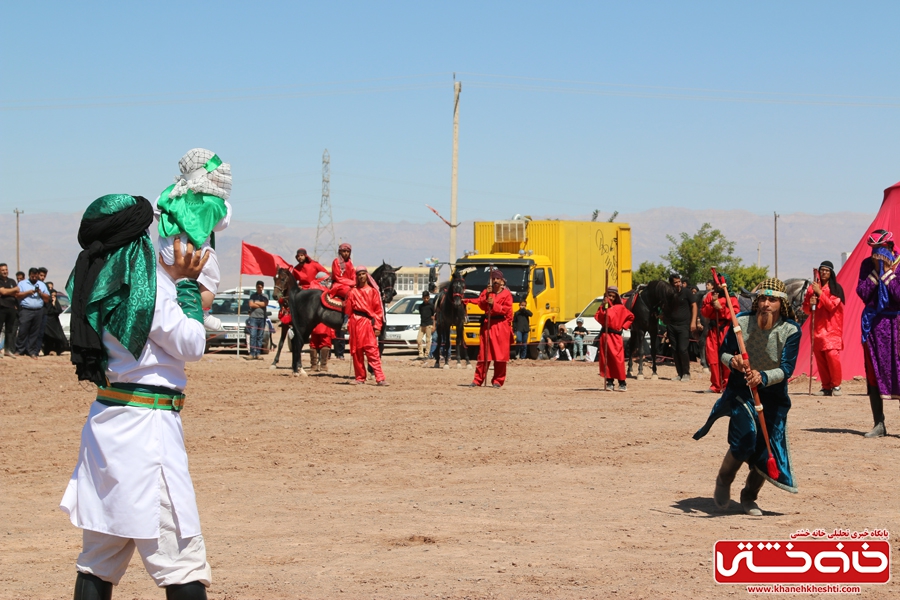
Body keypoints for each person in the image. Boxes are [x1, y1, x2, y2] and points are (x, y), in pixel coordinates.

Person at [60, 194, 212, 599]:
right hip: (149, 432)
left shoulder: (92, 281)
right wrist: (187, 285)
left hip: (106, 425)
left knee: (99, 558)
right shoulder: (146, 288)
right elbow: (192, 343)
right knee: (182, 561)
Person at [693, 277, 800, 516]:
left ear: (781, 304)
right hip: (743, 392)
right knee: (745, 440)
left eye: (772, 300)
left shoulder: (791, 330)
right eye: (762, 298)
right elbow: (723, 352)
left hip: (772, 396)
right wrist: (733, 361)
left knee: (765, 450)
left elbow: (787, 369)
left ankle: (749, 496)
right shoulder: (740, 322)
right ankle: (724, 478)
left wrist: (763, 376)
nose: (765, 304)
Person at [155, 148, 232, 332]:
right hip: (197, 249)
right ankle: (201, 312)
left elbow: (156, 211)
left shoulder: (168, 194)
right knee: (209, 282)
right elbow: (222, 224)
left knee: (166, 285)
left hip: (168, 247)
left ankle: (174, 312)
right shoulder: (217, 202)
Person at [856, 229, 900, 438]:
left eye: (880, 249)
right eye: (874, 250)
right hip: (873, 324)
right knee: (873, 372)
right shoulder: (866, 265)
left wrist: (889, 273)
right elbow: (863, 293)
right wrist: (876, 272)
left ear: (890, 247)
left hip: (897, 324)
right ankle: (879, 423)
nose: (876, 253)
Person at [803, 260, 845, 396]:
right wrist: (811, 303)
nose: (824, 273)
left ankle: (836, 385)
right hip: (817, 329)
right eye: (822, 270)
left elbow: (832, 306)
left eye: (827, 271)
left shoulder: (836, 289)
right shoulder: (812, 289)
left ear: (831, 273)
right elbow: (806, 310)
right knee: (820, 358)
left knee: (832, 356)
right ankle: (826, 386)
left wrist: (820, 293)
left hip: (832, 328)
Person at [468, 270, 513, 387]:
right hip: (488, 324)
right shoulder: (486, 291)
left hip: (501, 325)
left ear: (502, 281)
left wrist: (494, 305)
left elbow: (506, 310)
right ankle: (477, 380)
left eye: (497, 279)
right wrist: (485, 297)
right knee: (484, 354)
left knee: (500, 355)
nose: (495, 281)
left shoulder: (507, 294)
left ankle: (498, 380)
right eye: (493, 279)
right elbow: (481, 305)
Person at [345, 267, 387, 385]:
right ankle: (359, 377)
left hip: (368, 323)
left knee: (372, 351)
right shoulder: (352, 292)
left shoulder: (373, 292)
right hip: (355, 323)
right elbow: (348, 310)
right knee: (356, 352)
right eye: (359, 274)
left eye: (363, 274)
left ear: (367, 275)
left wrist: (377, 326)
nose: (361, 276)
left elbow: (378, 311)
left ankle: (380, 378)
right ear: (356, 277)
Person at [701, 274, 741, 394]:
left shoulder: (732, 298)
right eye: (716, 283)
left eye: (719, 283)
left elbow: (735, 313)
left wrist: (722, 309)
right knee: (713, 357)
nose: (717, 285)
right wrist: (712, 304)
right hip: (713, 330)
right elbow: (704, 312)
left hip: (726, 330)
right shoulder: (710, 296)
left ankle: (728, 384)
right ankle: (716, 385)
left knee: (727, 356)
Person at [595, 286, 635, 391]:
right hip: (605, 336)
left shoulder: (621, 308)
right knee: (606, 359)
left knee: (618, 359)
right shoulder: (604, 307)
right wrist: (603, 307)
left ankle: (622, 382)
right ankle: (609, 381)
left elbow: (631, 317)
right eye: (609, 295)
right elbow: (599, 318)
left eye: (613, 296)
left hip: (616, 336)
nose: (611, 298)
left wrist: (623, 326)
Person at [667, 272, 698, 381]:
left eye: (679, 281)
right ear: (671, 284)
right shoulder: (669, 294)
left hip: (684, 325)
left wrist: (693, 322)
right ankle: (679, 373)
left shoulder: (687, 292)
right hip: (671, 325)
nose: (678, 284)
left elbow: (694, 306)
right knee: (674, 350)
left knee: (683, 349)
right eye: (675, 282)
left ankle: (686, 373)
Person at [13, 267, 50, 357]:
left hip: (38, 311)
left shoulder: (41, 284)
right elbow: (17, 295)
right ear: (29, 275)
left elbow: (47, 299)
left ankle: (31, 351)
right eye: (32, 277)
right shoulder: (22, 283)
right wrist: (28, 292)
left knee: (35, 332)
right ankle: (19, 350)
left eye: (35, 277)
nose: (34, 278)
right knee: (23, 330)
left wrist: (40, 293)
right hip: (26, 310)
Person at [42, 289, 69, 355]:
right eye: (52, 295)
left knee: (57, 336)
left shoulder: (56, 302)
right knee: (48, 336)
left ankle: (56, 350)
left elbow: (58, 311)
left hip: (55, 322)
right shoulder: (46, 303)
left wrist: (54, 304)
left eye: (55, 296)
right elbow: (47, 311)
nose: (53, 297)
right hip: (47, 322)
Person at [0, 263, 18, 357]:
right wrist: (11, 291)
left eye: (6, 269)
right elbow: (2, 291)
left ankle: (7, 350)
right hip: (1, 307)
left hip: (11, 308)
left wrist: (6, 292)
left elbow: (17, 291)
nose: (5, 272)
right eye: (3, 270)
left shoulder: (12, 281)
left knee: (9, 330)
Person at [247, 281, 268, 360]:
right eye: (258, 287)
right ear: (256, 287)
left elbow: (265, 304)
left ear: (262, 288)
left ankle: (258, 353)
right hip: (253, 318)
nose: (259, 288)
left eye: (260, 287)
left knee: (260, 336)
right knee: (253, 335)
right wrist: (260, 304)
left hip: (262, 318)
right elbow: (251, 304)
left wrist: (256, 303)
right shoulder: (252, 295)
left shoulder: (265, 296)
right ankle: (252, 353)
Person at [417, 291, 435, 360]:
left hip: (429, 325)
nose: (426, 299)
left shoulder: (431, 306)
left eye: (427, 298)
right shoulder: (420, 306)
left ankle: (427, 354)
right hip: (422, 325)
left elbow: (433, 316)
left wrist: (433, 325)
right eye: (425, 298)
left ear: (429, 298)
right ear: (422, 298)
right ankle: (421, 354)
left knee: (428, 340)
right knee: (418, 340)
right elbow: (421, 314)